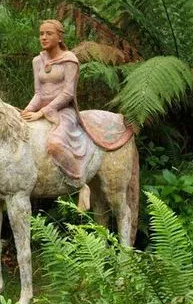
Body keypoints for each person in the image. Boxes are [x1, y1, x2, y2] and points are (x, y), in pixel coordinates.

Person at [21, 19, 133, 182]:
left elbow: (67, 93)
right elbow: (38, 93)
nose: (43, 37)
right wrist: (28, 110)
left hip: (64, 111)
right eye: (41, 34)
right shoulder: (37, 61)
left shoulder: (69, 60)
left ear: (59, 38)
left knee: (55, 144)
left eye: (49, 33)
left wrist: (42, 112)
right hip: (41, 110)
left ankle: (79, 180)